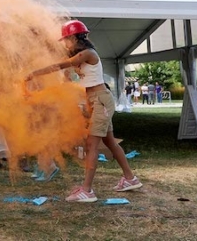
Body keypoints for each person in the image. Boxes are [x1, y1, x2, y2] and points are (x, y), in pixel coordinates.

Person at [26, 20, 142, 203]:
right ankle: (130, 179)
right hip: (98, 100)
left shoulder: (87, 54)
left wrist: (35, 73)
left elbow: (61, 65)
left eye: (66, 39)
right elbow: (65, 69)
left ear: (73, 37)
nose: (65, 43)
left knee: (91, 145)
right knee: (110, 142)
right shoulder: (81, 55)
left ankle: (87, 191)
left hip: (100, 100)